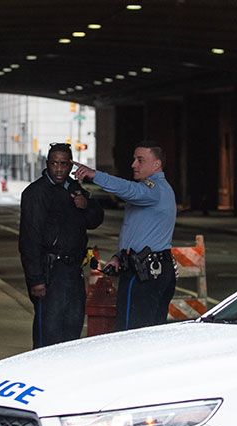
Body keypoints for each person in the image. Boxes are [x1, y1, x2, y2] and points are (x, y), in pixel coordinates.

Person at [72, 142, 177, 331]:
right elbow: (137, 230)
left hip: (144, 276)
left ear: (156, 165)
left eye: (140, 160)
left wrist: (95, 175)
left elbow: (128, 189)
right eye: (134, 159)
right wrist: (119, 256)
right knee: (152, 333)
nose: (133, 165)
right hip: (151, 269)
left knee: (130, 333)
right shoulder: (152, 191)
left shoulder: (154, 189)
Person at [19, 143, 105, 347]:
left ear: (70, 165)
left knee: (72, 329)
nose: (59, 169)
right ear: (47, 164)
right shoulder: (36, 193)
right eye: (54, 163)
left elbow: (95, 220)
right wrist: (36, 279)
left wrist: (86, 206)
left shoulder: (74, 189)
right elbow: (29, 239)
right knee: (48, 333)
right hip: (50, 272)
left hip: (73, 270)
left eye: (64, 164)